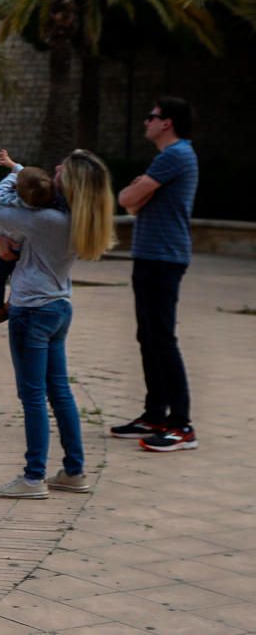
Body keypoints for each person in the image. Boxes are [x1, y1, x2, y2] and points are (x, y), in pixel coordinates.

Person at [0, 149, 114, 499]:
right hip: (58, 308)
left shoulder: (46, 220)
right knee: (60, 393)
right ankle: (74, 471)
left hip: (31, 313)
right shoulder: (75, 218)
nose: (54, 168)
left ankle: (33, 478)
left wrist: (15, 176)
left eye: (61, 170)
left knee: (32, 397)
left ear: (69, 183)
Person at [111, 96, 199, 452]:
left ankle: (181, 425)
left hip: (165, 258)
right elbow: (131, 200)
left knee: (161, 337)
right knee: (148, 335)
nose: (146, 121)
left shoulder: (175, 156)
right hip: (151, 256)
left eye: (152, 117)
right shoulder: (168, 158)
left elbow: (126, 198)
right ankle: (155, 415)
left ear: (167, 123)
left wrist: (138, 192)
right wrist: (138, 193)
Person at [0, 150, 56, 329]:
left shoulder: (10, 201)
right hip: (24, 248)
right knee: (18, 276)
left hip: (8, 245)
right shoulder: (42, 202)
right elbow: (34, 181)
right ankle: (9, 304)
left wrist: (14, 174)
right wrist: (14, 166)